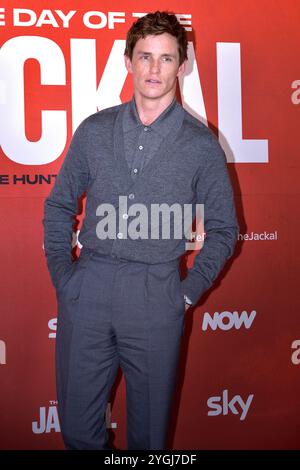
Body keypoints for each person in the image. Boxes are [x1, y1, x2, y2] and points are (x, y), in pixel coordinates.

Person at [43, 11, 239, 450]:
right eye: (145, 56)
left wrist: (186, 294)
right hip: (88, 289)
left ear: (182, 64)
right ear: (128, 60)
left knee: (149, 438)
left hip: (157, 293)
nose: (154, 69)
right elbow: (58, 206)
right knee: (77, 432)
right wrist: (64, 276)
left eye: (166, 58)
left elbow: (224, 229)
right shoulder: (94, 131)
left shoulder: (200, 144)